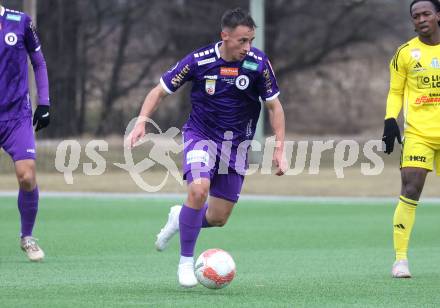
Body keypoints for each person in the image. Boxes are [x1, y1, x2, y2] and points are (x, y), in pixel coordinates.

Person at [128, 8, 286, 287]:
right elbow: (159, 90)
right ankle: (185, 263)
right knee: (198, 190)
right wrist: (142, 121)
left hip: (237, 145)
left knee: (217, 218)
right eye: (242, 41)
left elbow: (274, 106)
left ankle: (181, 217)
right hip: (201, 136)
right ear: (224, 36)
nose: (247, 47)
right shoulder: (199, 61)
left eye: (250, 40)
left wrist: (279, 147)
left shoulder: (259, 64)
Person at [382, 0, 440, 278]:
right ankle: (401, 260)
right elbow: (395, 91)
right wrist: (391, 119)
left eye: (426, 13)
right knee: (411, 188)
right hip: (419, 134)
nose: (420, 19)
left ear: (438, 16)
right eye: (415, 16)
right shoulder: (405, 53)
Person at [0, 5, 50, 261]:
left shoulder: (19, 22)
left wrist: (44, 102)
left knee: (26, 175)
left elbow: (38, 61)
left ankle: (27, 237)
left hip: (16, 116)